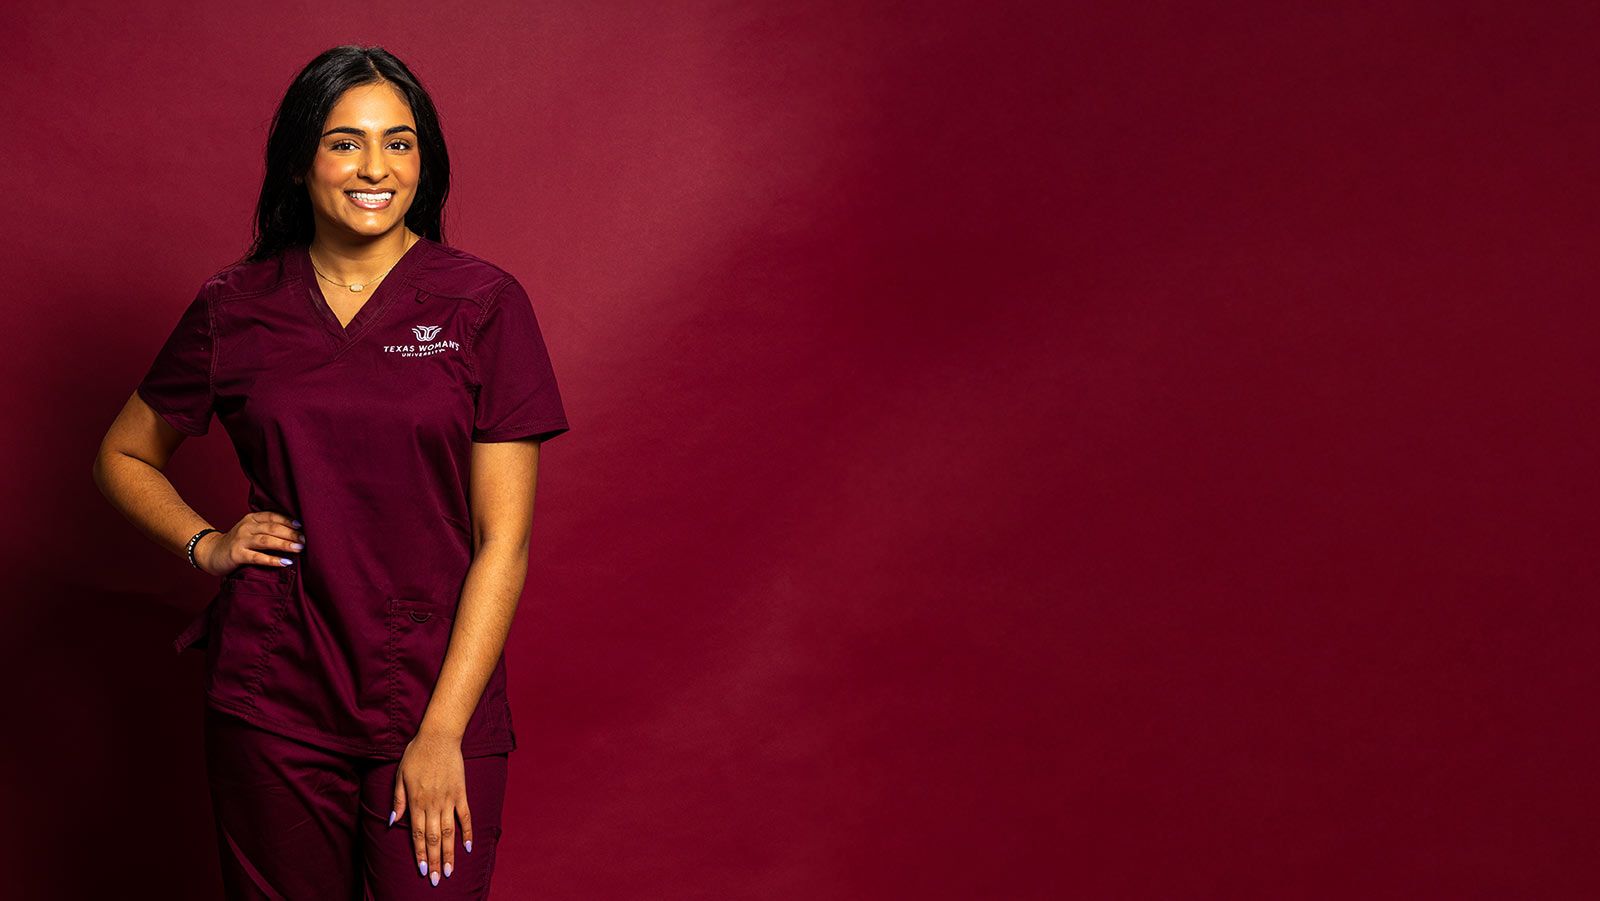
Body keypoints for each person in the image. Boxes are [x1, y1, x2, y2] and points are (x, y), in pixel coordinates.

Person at [92, 44, 570, 899]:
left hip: (431, 695)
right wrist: (205, 544)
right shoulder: (236, 308)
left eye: (400, 141)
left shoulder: (484, 305)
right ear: (302, 159)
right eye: (345, 142)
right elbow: (123, 453)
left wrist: (440, 734)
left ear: (426, 160)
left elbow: (506, 542)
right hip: (273, 695)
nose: (375, 167)